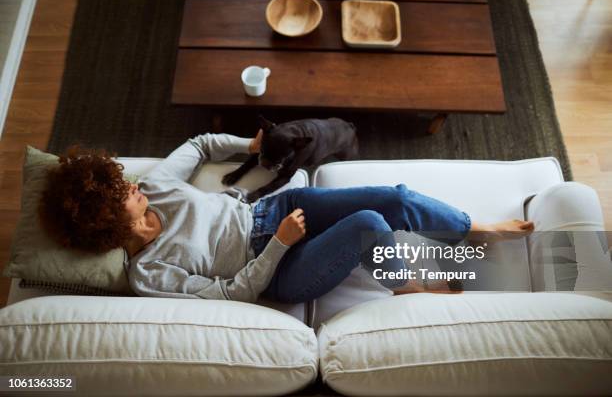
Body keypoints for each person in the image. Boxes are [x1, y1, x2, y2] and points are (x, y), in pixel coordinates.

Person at [39, 132, 534, 303]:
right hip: (277, 269)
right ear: (106, 218)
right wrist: (279, 243)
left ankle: (473, 229)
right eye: (118, 191)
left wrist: (249, 146)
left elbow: (198, 145)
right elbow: (231, 293)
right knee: (370, 226)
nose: (131, 185)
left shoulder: (156, 188)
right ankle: (411, 287)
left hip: (271, 212)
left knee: (394, 196)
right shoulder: (148, 274)